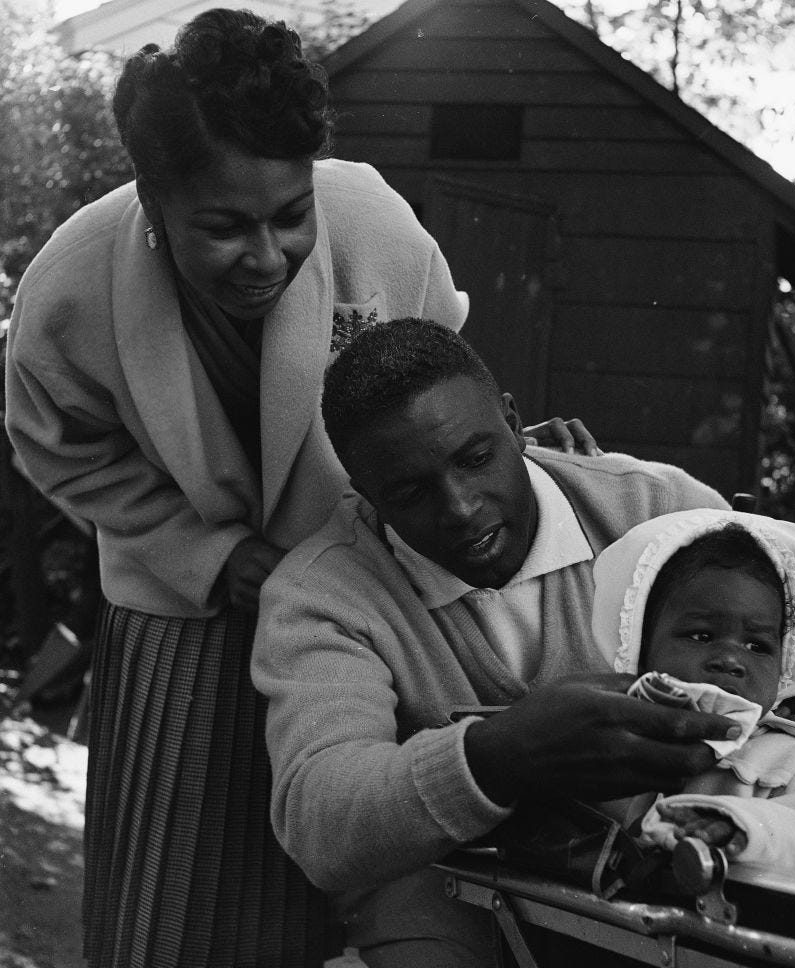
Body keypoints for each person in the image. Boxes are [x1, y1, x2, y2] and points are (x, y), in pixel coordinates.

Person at [2, 11, 588, 966]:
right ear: (152, 200)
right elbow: (61, 446)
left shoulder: (374, 225)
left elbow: (436, 378)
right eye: (226, 228)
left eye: (288, 217)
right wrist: (205, 556)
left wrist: (525, 452)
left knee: (369, 864)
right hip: (184, 622)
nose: (268, 257)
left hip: (364, 604)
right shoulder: (71, 287)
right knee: (180, 907)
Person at [252, 318, 795, 967]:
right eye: (409, 491)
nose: (459, 506)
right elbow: (320, 813)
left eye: (476, 458)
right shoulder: (323, 595)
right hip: (449, 889)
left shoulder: (653, 508)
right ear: (363, 494)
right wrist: (497, 758)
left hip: (683, 868)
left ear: (514, 424)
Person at [591, 509, 795, 889]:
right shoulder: (612, 738)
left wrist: (733, 826)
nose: (732, 660)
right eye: (701, 635)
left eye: (757, 645)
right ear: (639, 645)